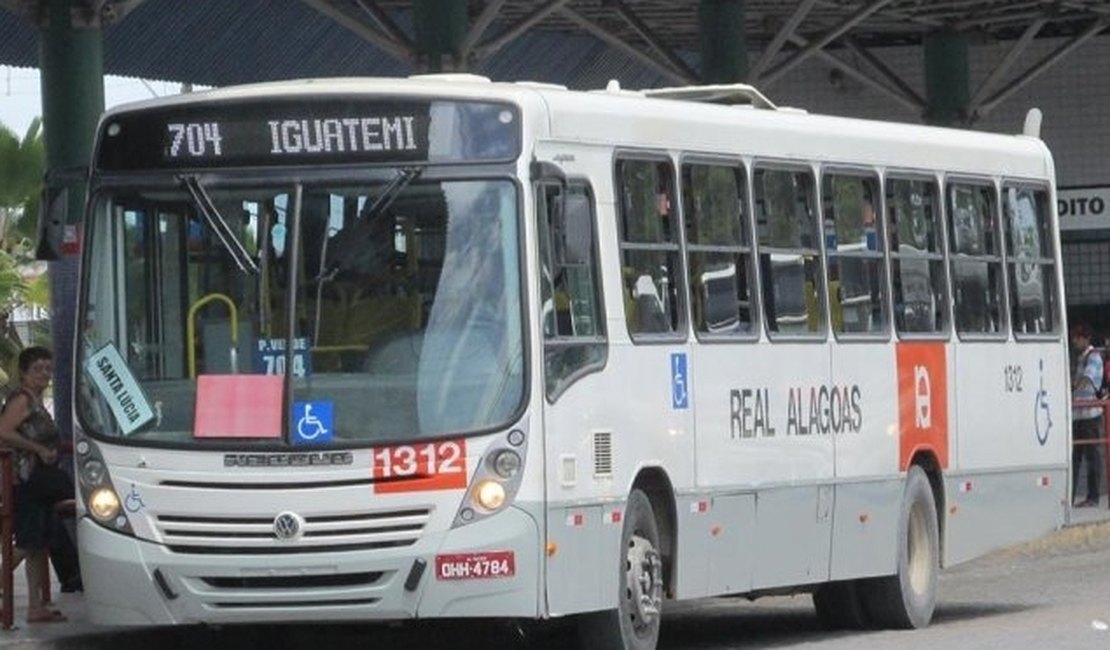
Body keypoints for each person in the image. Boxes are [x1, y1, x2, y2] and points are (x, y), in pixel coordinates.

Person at [0, 346, 79, 622]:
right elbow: (3, 432)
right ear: (23, 373)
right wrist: (37, 448)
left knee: (36, 542)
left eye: (47, 368)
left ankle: (35, 605)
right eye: (37, 369)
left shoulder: (37, 400)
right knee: (28, 539)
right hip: (27, 478)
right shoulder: (22, 400)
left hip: (38, 477)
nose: (44, 374)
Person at [1070, 323, 1104, 508]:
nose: (1074, 341)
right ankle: (1070, 496)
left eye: (1077, 337)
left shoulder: (1093, 357)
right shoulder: (1080, 358)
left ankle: (1093, 497)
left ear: (1086, 338)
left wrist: (1072, 390)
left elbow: (1087, 380)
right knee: (1075, 457)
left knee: (1093, 457)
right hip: (1078, 415)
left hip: (1090, 415)